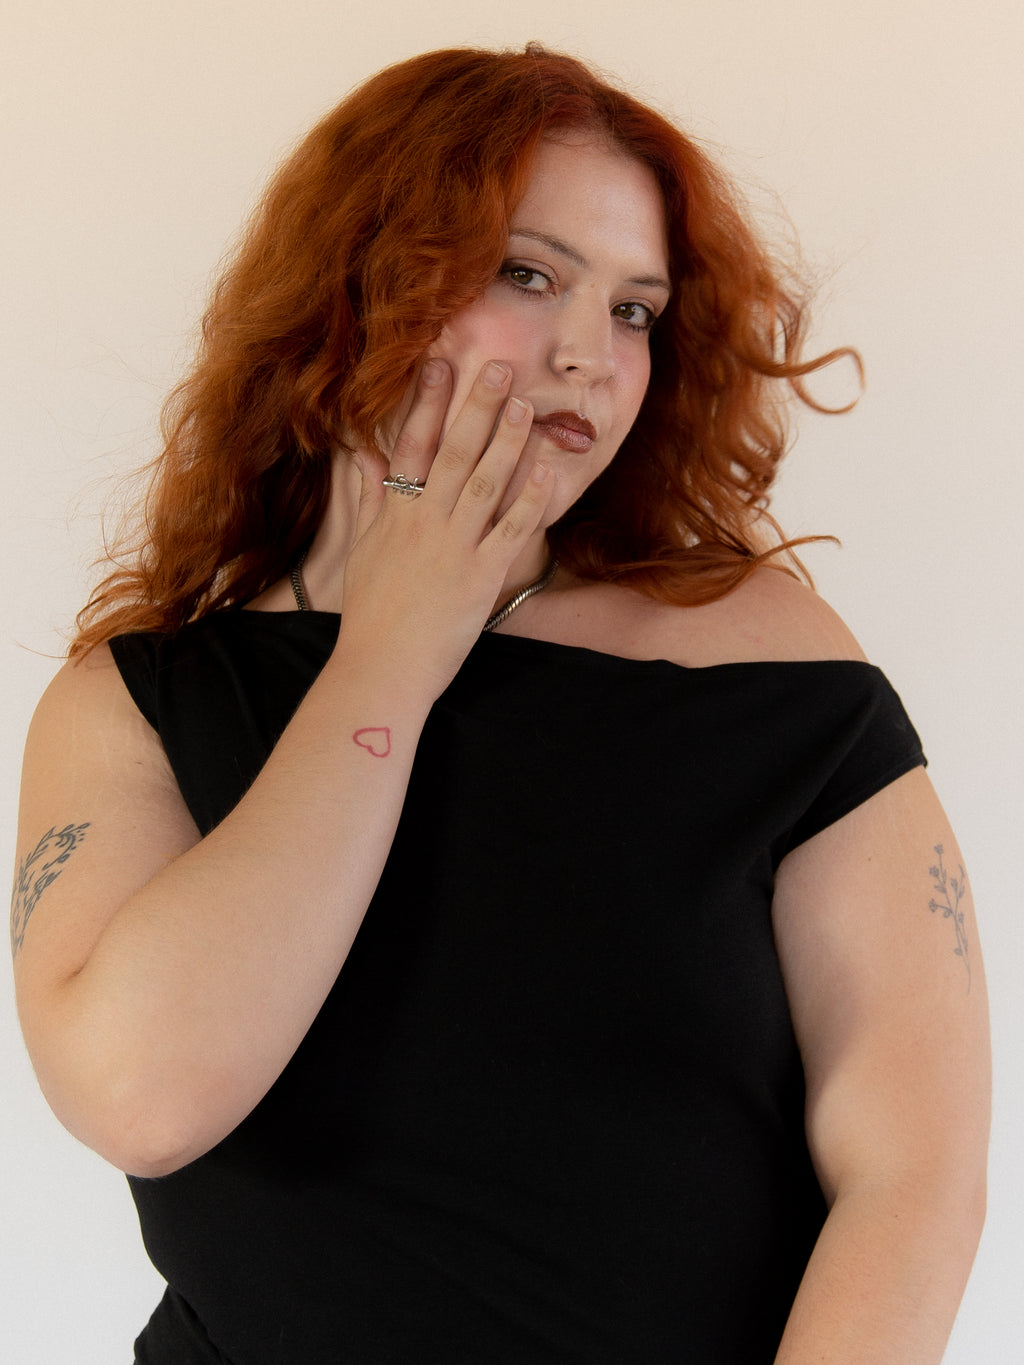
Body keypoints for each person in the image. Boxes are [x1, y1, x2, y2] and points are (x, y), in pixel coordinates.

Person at [11, 44, 989, 1365]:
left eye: (635, 309)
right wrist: (395, 649)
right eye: (529, 274)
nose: (591, 354)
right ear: (361, 285)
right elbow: (144, 1094)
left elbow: (913, 1174)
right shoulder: (137, 702)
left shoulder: (763, 662)